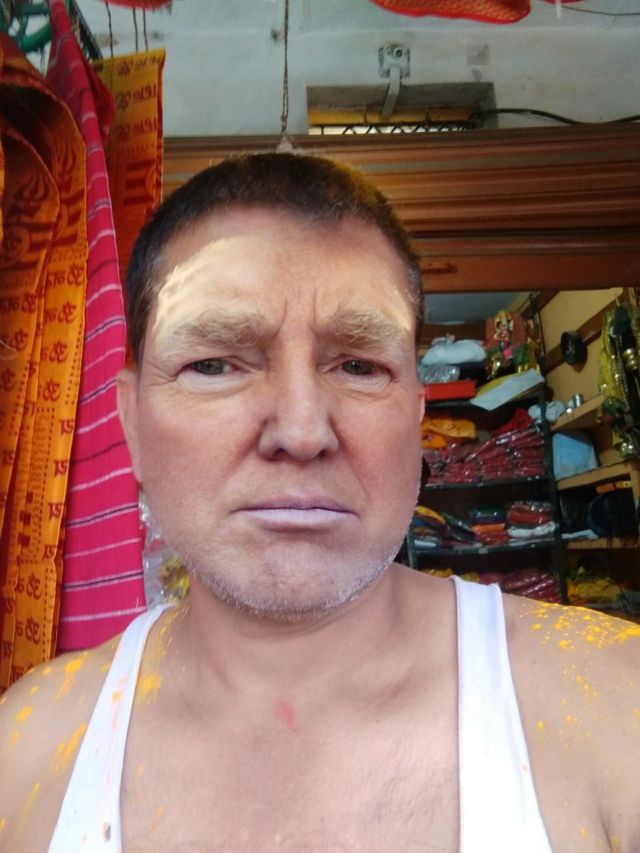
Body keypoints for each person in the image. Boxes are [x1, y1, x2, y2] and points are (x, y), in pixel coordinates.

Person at [1, 152, 639, 853]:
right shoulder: (28, 749)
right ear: (131, 424)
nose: (303, 431)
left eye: (359, 365)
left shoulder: (614, 706)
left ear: (416, 414)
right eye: (214, 364)